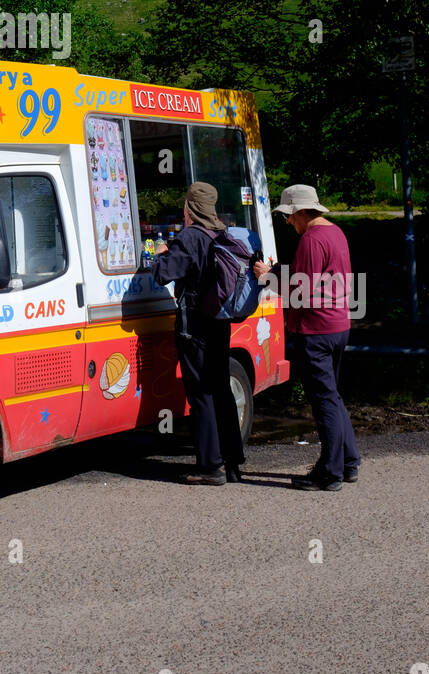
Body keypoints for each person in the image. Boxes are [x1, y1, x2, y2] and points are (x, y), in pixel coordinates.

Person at [254, 184, 360, 492]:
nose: (288, 222)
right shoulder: (336, 233)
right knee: (333, 395)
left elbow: (302, 293)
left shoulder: (311, 240)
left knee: (323, 400)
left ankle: (329, 471)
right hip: (338, 324)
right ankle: (348, 461)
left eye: (289, 216)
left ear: (302, 211)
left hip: (315, 330)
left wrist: (267, 277)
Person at [150, 181, 246, 485]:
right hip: (220, 323)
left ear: (188, 208)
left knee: (201, 393)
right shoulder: (221, 232)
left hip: (195, 327)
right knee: (220, 389)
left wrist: (158, 254)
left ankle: (209, 466)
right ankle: (233, 461)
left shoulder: (190, 237)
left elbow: (163, 273)